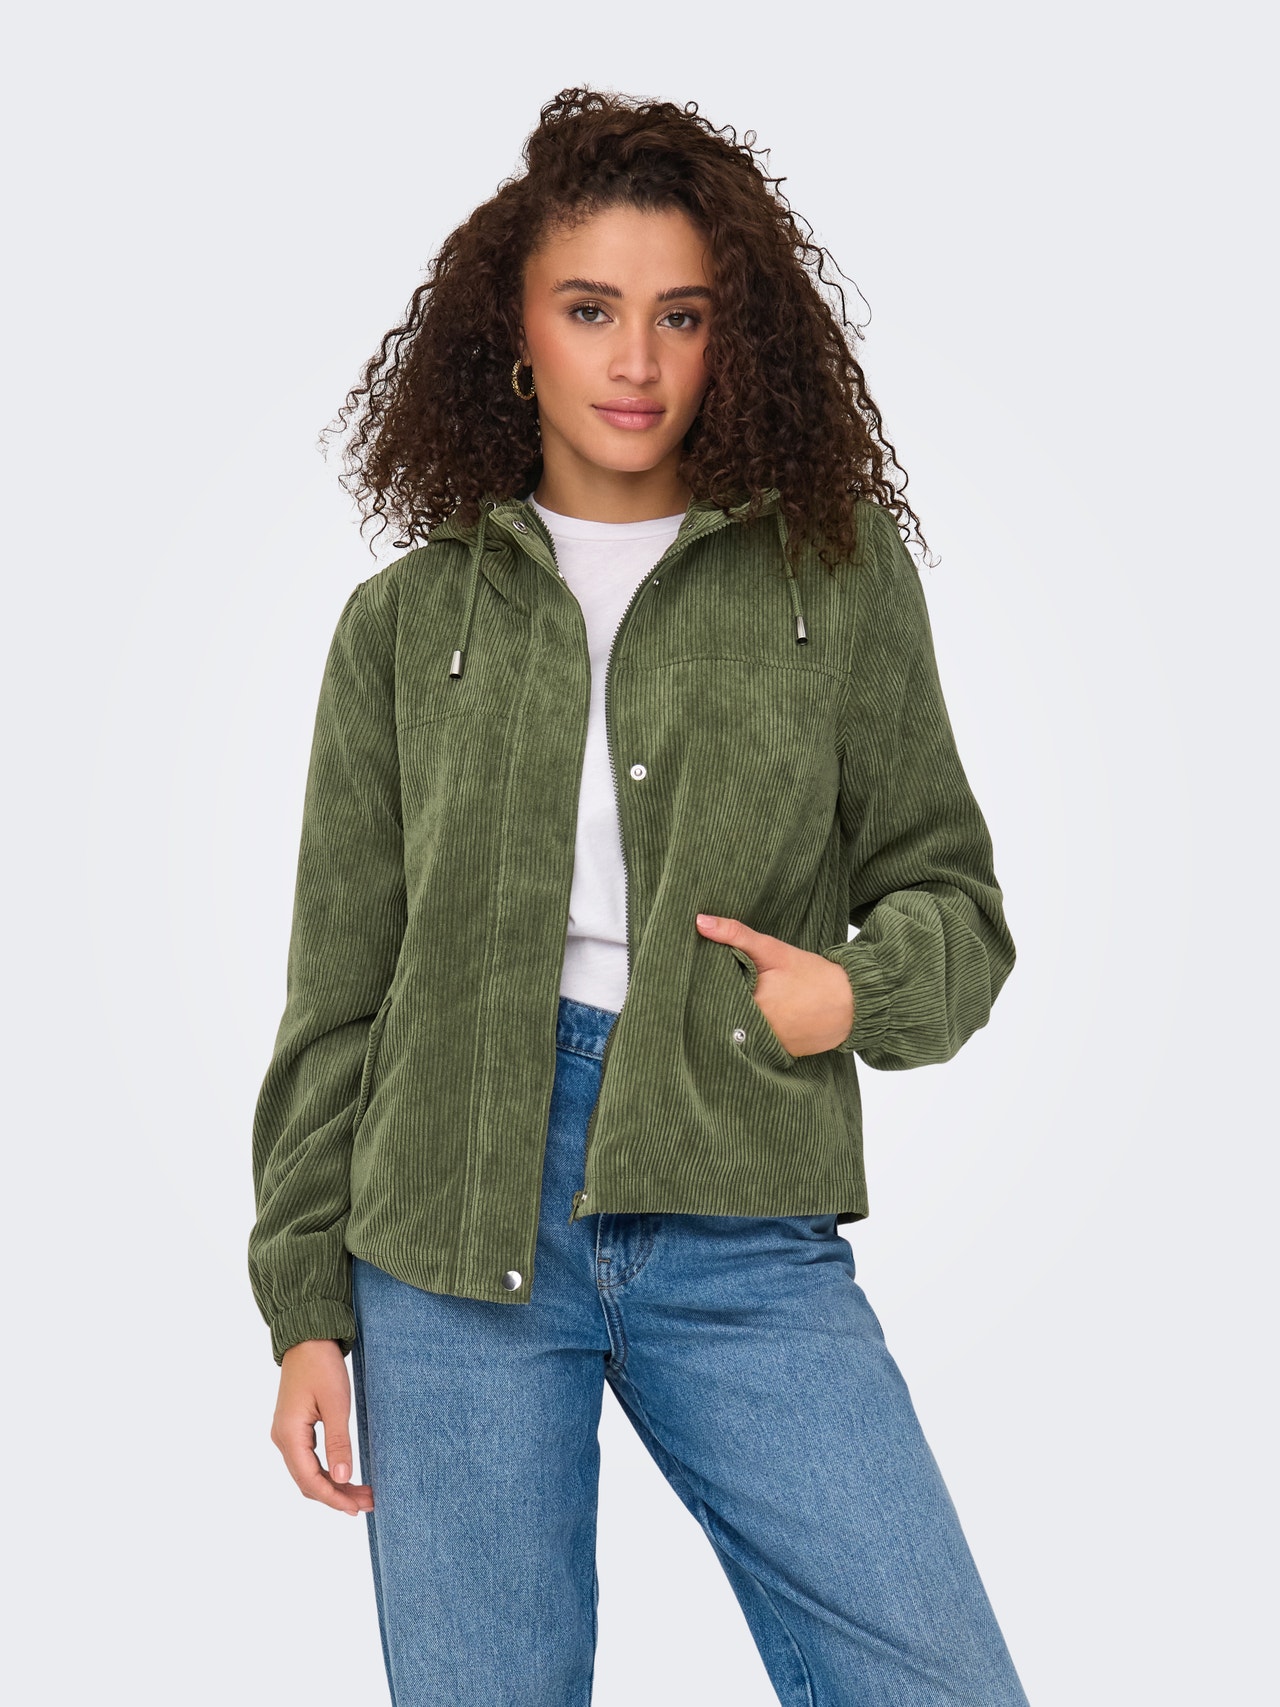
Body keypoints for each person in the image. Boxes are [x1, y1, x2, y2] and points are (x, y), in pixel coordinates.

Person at [248, 86, 1030, 1707]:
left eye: (683, 315)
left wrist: (853, 993)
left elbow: (950, 892)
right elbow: (339, 994)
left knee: (936, 1678)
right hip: (451, 1220)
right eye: (591, 309)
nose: (638, 361)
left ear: (732, 337)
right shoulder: (405, 625)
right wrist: (304, 1305)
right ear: (514, 334)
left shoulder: (832, 576)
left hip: (738, 1199)